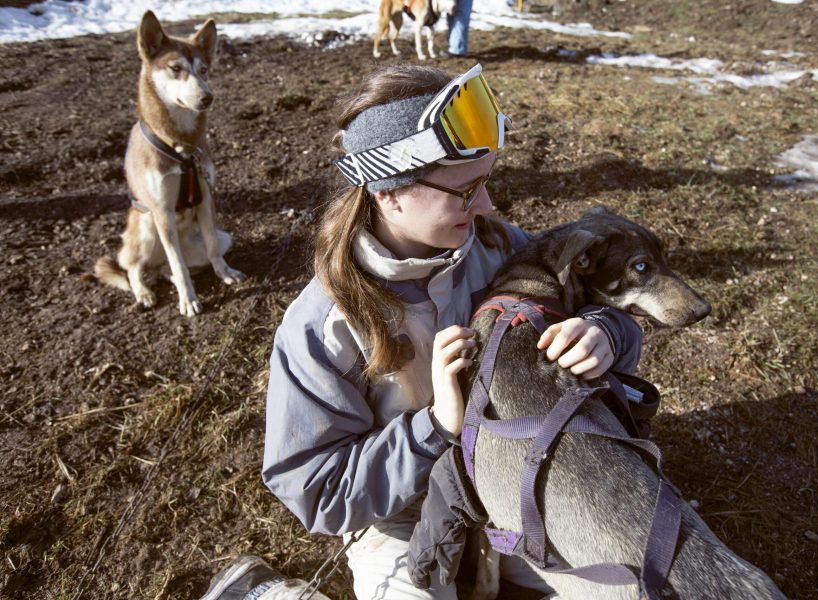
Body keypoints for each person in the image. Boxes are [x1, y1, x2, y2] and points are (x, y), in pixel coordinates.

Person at [201, 63, 642, 600]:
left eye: (487, 182)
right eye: (465, 190)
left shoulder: (501, 247)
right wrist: (434, 427)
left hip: (519, 480)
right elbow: (317, 492)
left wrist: (603, 332)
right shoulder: (325, 328)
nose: (487, 205)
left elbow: (610, 313)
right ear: (389, 192)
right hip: (402, 520)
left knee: (635, 588)